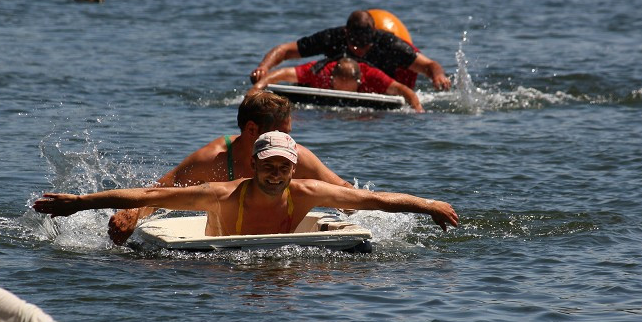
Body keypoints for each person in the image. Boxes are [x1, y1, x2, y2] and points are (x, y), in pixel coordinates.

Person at [34, 131, 459, 237]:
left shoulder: (308, 192)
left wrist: (429, 204)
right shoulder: (221, 193)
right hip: (223, 263)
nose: (277, 173)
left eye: (284, 167)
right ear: (254, 165)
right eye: (269, 165)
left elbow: (373, 200)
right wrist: (79, 203)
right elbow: (151, 195)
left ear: (293, 169)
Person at [106, 90, 353, 245]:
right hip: (222, 254)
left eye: (288, 134)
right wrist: (133, 213)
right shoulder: (213, 159)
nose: (288, 141)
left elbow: (343, 190)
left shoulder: (295, 155)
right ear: (252, 130)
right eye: (280, 132)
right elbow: (160, 192)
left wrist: (356, 208)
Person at [249, 10, 451, 92]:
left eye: (365, 46)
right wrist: (264, 68)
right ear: (346, 34)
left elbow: (429, 65)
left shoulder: (389, 43)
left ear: (374, 34)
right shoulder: (332, 38)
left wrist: (438, 76)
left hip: (386, 84)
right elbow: (285, 50)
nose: (359, 51)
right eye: (355, 45)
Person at [252, 57, 424, 112]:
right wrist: (256, 88)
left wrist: (417, 107)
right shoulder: (321, 72)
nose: (343, 90)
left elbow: (403, 90)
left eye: (348, 85)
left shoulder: (372, 76)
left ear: (359, 81)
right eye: (338, 84)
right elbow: (283, 73)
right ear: (332, 79)